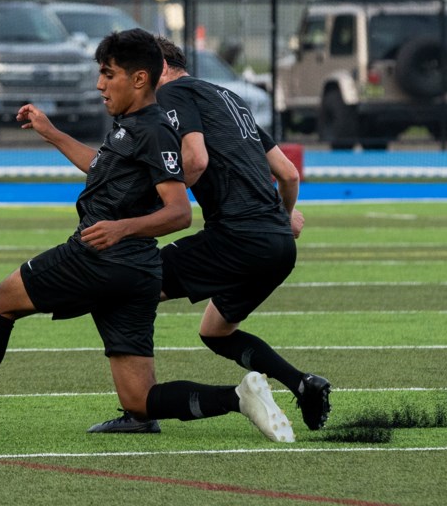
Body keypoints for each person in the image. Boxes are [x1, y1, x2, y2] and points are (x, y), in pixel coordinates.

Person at [0, 28, 296, 444]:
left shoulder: (153, 129)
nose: (100, 85)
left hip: (98, 257)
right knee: (139, 401)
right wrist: (51, 132)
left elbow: (179, 212)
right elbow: (101, 168)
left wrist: (121, 227)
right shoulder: (135, 125)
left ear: (139, 79)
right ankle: (239, 398)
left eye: (108, 74)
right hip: (137, 272)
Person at [93, 36, 328, 433]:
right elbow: (287, 173)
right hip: (277, 244)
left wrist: (155, 198)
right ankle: (303, 384)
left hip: (236, 238)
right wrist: (281, 218)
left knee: (128, 287)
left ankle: (140, 412)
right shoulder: (229, 97)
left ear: (158, 70)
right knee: (215, 331)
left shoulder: (170, 95)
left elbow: (196, 159)